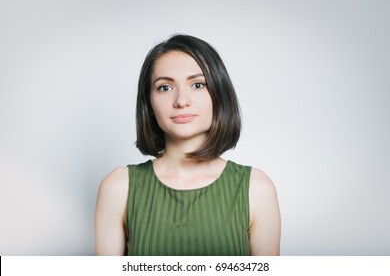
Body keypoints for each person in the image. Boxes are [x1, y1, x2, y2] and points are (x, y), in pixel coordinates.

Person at [94, 34, 281, 256]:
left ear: (219, 94)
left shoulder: (257, 188)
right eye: (164, 87)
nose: (181, 100)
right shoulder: (118, 187)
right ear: (149, 102)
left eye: (198, 84)